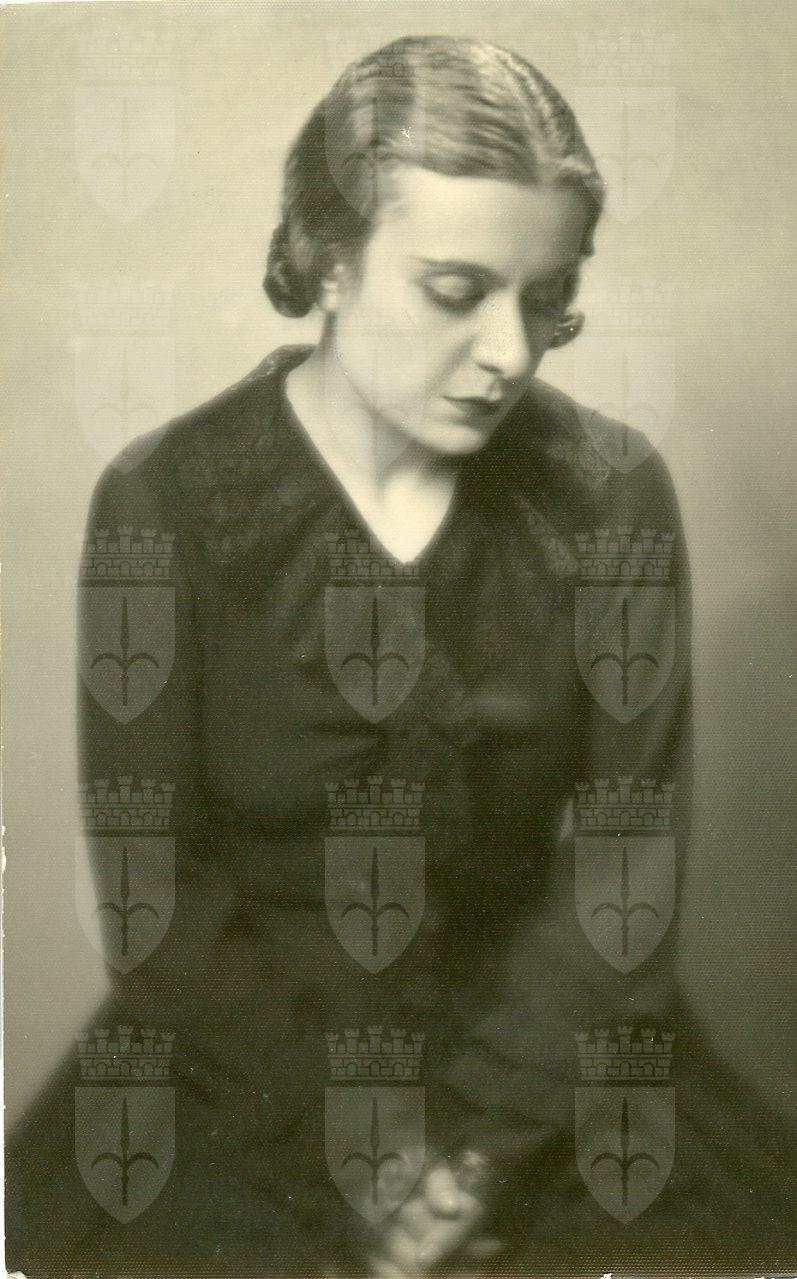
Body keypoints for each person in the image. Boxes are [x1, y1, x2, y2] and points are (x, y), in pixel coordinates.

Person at [6, 34, 794, 1279]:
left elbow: (624, 869)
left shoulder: (607, 493)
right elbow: (158, 898)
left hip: (546, 1068)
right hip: (241, 1079)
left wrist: (471, 1154)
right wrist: (363, 1160)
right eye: (454, 290)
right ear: (328, 259)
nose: (510, 352)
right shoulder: (162, 499)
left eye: (546, 297)